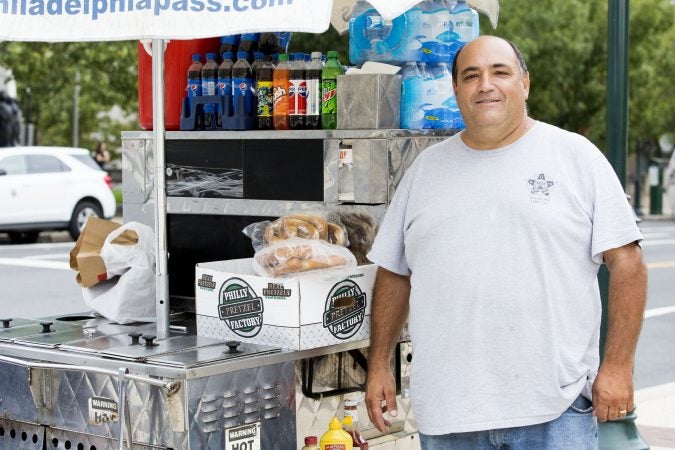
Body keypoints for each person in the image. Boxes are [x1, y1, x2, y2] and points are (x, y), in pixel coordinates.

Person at [365, 36, 647, 450]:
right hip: (448, 415)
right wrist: (378, 367)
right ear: (455, 90)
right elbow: (394, 273)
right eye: (471, 76)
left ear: (525, 83)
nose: (485, 85)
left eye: (500, 72)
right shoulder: (424, 171)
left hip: (554, 411)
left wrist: (618, 367)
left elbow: (629, 263)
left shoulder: (575, 157)